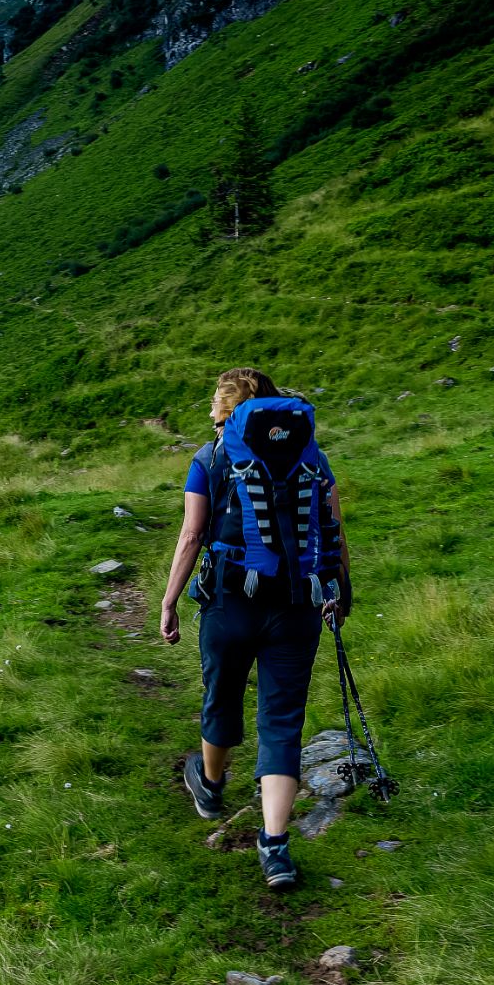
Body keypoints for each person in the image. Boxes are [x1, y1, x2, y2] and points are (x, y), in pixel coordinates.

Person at [159, 367, 351, 891]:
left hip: (229, 603)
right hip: (297, 603)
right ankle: (275, 846)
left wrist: (170, 600)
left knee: (221, 695)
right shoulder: (312, 455)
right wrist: (339, 591)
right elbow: (332, 526)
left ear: (222, 410)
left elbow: (193, 533)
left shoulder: (210, 457)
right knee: (282, 720)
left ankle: (212, 784)